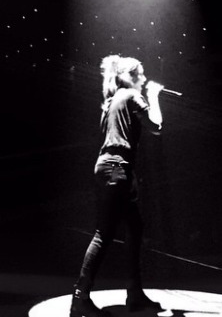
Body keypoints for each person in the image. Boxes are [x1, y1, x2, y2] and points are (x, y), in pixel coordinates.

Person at [70, 55, 165, 317]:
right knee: (104, 233)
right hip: (116, 167)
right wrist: (154, 95)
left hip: (110, 166)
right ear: (130, 76)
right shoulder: (132, 95)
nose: (144, 79)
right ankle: (80, 298)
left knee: (135, 227)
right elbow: (157, 126)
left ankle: (134, 293)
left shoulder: (112, 101)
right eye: (141, 75)